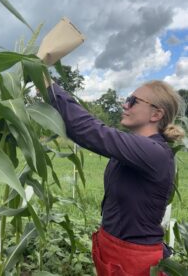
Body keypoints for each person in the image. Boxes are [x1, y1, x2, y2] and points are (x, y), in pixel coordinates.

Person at [45, 79, 185, 276]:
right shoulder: (134, 150)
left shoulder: (154, 153)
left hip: (134, 260)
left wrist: (48, 85)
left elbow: (90, 131)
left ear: (156, 114)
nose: (125, 105)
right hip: (113, 249)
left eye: (133, 101)